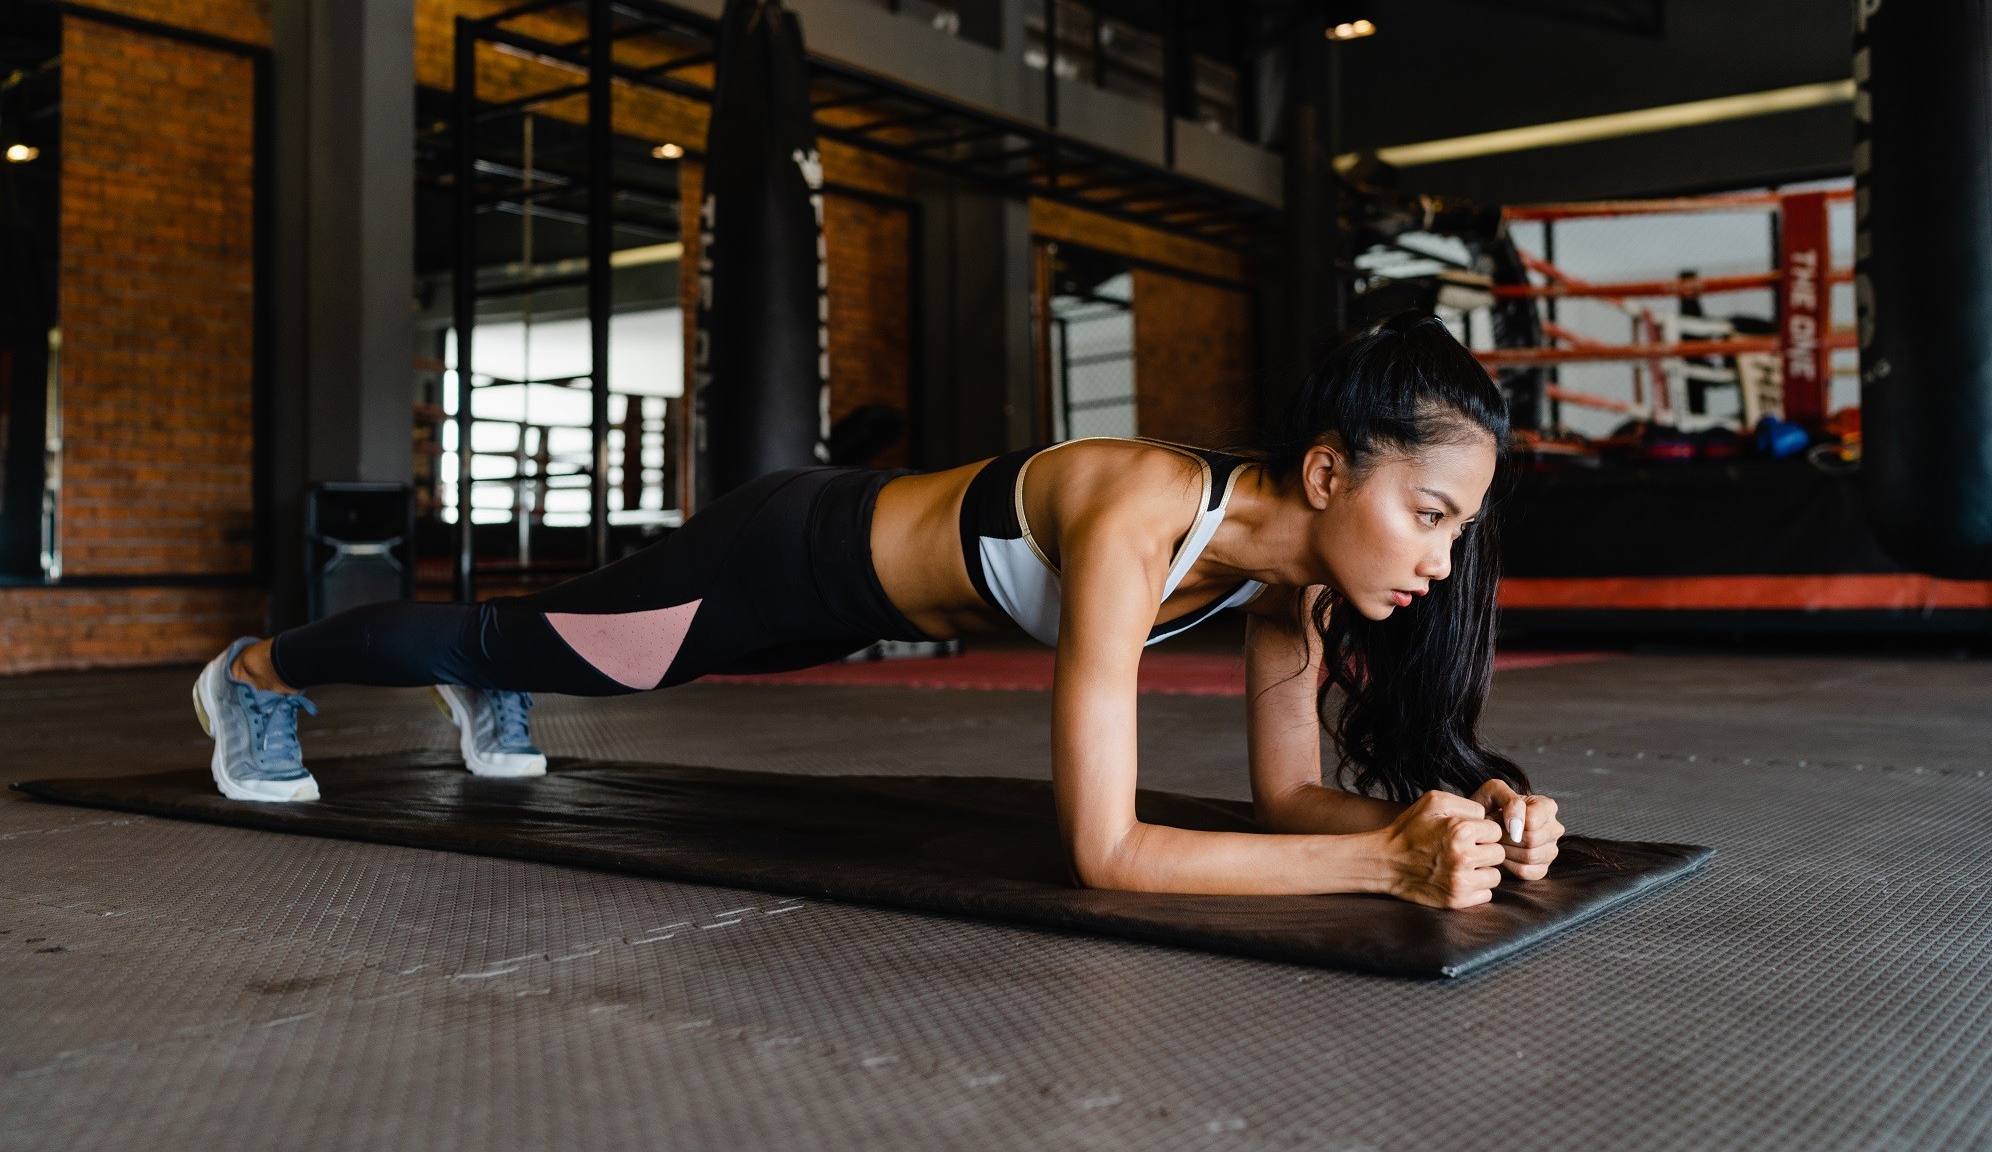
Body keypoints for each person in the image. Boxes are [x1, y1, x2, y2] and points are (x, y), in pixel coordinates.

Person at [194, 311, 1561, 908]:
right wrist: (1386, 866)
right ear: (1329, 471)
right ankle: (255, 672)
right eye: (1431, 515)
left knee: (588, 659)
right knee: (535, 643)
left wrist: (1447, 819)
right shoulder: (1142, 508)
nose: (1442, 562)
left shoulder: (1291, 589)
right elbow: (1109, 849)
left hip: (854, 610)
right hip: (785, 551)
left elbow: (1284, 808)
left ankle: (495, 680)